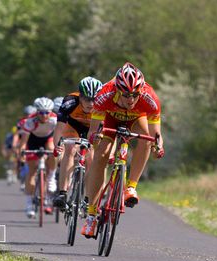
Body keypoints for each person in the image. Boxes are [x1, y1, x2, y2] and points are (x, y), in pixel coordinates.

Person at [81, 62, 165, 238]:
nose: (131, 99)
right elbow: (93, 131)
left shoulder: (150, 98)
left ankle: (131, 187)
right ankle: (91, 215)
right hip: (110, 119)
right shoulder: (104, 95)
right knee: (100, 157)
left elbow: (156, 133)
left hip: (136, 119)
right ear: (118, 90)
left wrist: (159, 146)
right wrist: (94, 138)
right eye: (126, 95)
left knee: (147, 139)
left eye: (135, 95)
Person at [52, 76, 103, 210]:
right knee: (70, 149)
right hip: (73, 126)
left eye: (94, 99)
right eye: (87, 99)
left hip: (93, 129)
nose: (91, 103)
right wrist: (57, 146)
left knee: (91, 158)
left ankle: (88, 197)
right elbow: (59, 128)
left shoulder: (104, 104)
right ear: (80, 96)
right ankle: (62, 193)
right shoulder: (70, 102)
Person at [17, 97, 58, 218]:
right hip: (33, 141)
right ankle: (29, 204)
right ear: (37, 112)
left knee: (52, 149)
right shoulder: (29, 121)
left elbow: (58, 137)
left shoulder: (55, 120)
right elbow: (23, 142)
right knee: (32, 171)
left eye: (47, 112)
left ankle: (51, 177)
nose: (44, 115)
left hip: (48, 139)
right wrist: (22, 153)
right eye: (41, 112)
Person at [13, 105, 37, 190]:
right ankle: (19, 172)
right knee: (20, 157)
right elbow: (16, 135)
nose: (28, 116)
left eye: (31, 114)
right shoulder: (21, 122)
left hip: (34, 141)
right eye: (27, 114)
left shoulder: (38, 121)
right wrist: (14, 145)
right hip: (23, 141)